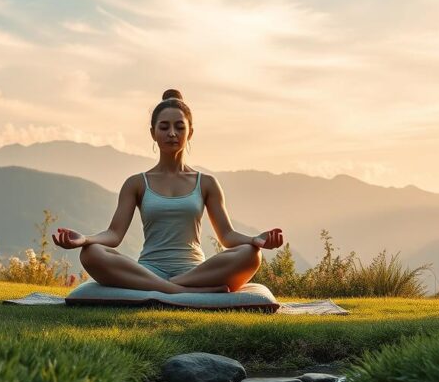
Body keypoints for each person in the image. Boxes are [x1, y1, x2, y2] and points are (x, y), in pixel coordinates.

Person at [52, 88, 284, 293]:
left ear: (190, 132)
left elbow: (227, 236)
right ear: (153, 132)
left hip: (195, 271)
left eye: (178, 127)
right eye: (164, 127)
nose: (171, 133)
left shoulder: (206, 183)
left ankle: (172, 286)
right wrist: (85, 239)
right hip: (149, 270)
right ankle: (177, 290)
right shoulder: (136, 183)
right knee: (91, 254)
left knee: (251, 255)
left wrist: (255, 239)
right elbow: (113, 235)